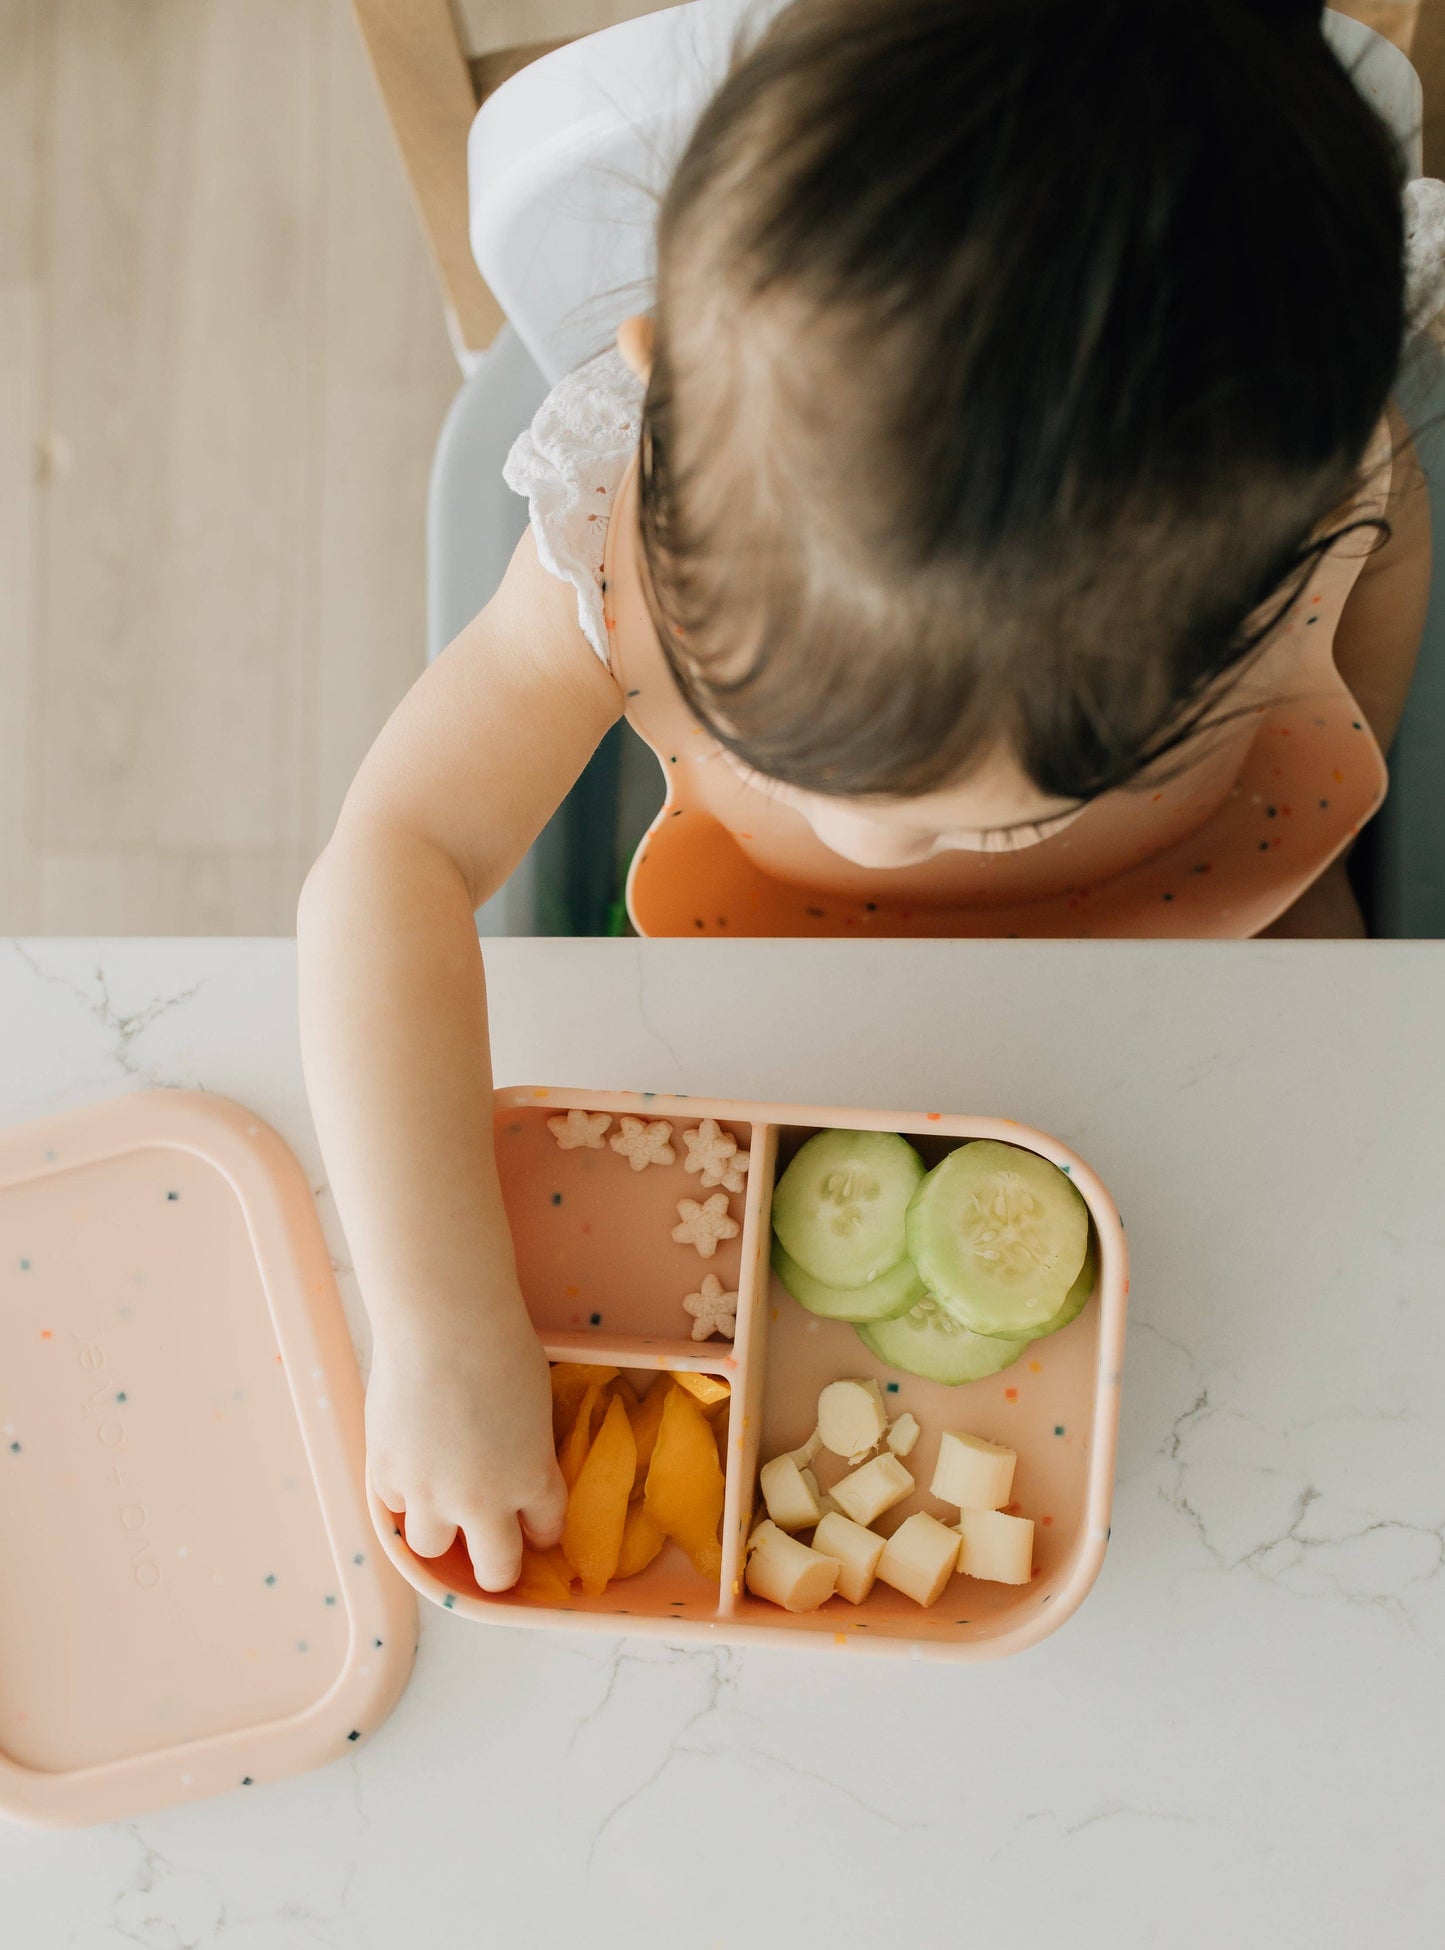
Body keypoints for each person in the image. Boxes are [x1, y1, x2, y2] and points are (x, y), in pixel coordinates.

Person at [299, 0, 1442, 1587]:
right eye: (838, 776)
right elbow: (390, 858)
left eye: (1020, 808)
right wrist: (436, 1323)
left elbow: (1349, 730)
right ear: (666, 392)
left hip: (1219, 952)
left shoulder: (1321, 501)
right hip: (778, 1000)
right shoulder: (614, 546)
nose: (896, 847)